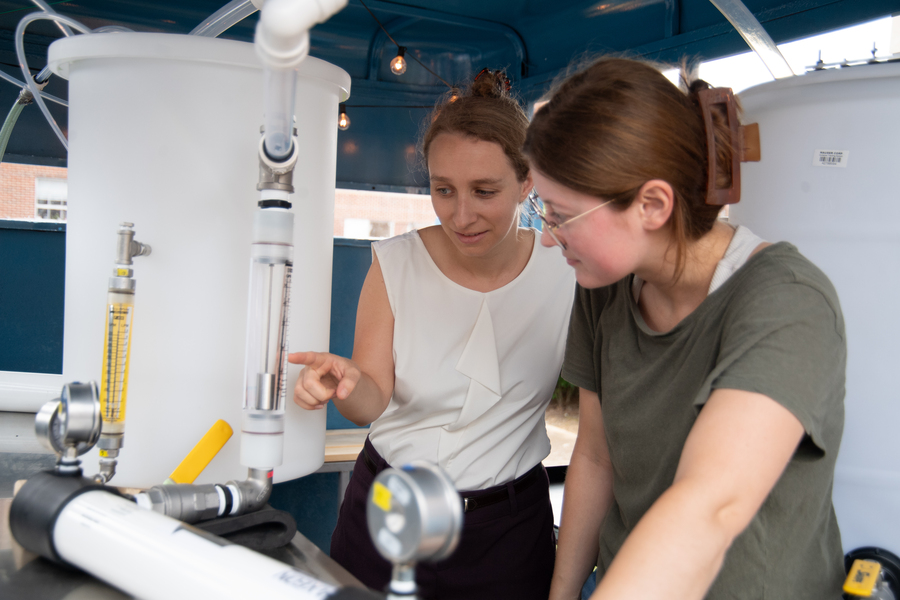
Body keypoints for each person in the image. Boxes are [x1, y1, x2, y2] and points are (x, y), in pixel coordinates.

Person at [522, 57, 846, 600]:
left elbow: (710, 504)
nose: (550, 238)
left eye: (560, 215)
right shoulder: (604, 288)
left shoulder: (787, 301)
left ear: (651, 204)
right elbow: (597, 455)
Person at [287, 69, 575, 599]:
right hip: (389, 514)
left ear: (527, 181)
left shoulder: (568, 273)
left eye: (484, 191)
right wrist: (346, 383)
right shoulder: (396, 262)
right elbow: (368, 401)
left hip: (508, 534)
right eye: (443, 190)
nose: (460, 215)